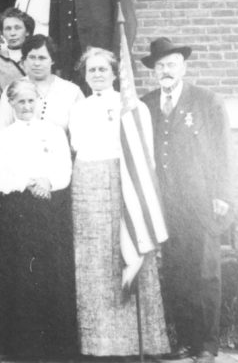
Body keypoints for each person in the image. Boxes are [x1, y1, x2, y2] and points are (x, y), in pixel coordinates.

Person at [68, 47, 169, 357]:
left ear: (114, 73)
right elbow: (76, 144)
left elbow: (145, 155)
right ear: (85, 76)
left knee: (127, 252)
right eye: (91, 70)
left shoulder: (133, 107)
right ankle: (99, 343)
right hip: (88, 183)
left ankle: (139, 342)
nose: (97, 74)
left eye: (103, 69)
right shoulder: (80, 107)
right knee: (95, 259)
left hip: (125, 181)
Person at [140, 38, 231, 363]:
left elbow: (223, 151)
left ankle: (206, 345)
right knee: (177, 272)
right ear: (154, 71)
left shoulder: (206, 101)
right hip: (166, 203)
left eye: (172, 64)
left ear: (184, 67)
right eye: (160, 65)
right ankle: (184, 341)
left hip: (202, 200)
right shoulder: (147, 103)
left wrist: (222, 194)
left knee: (205, 273)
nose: (166, 70)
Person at [0, 78, 76, 358]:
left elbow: (65, 167)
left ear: (39, 103)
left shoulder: (54, 133)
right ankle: (21, 348)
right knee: (21, 274)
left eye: (31, 101)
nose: (26, 106)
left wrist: (47, 181)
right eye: (20, 102)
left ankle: (54, 346)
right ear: (11, 105)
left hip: (50, 209)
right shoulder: (3, 137)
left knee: (51, 273)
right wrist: (28, 182)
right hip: (18, 211)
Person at [0, 34, 83, 133]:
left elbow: (81, 136)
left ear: (52, 60)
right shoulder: (12, 90)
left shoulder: (71, 91)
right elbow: (1, 132)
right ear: (24, 60)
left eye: (42, 58)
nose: (36, 63)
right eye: (32, 57)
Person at [0, 8, 33, 95]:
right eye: (8, 29)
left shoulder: (35, 58)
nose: (12, 33)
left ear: (27, 32)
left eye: (17, 28)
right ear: (2, 33)